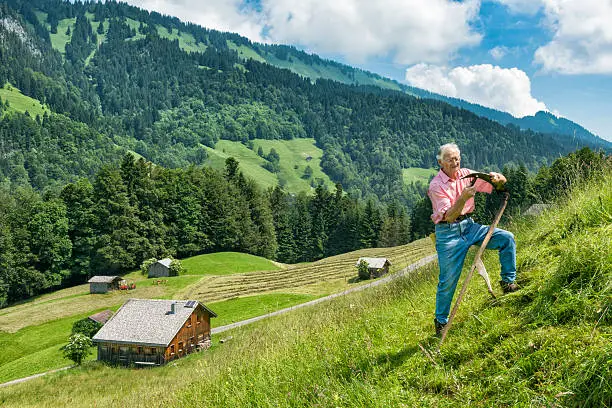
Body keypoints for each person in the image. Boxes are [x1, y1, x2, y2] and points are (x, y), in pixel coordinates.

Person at [428, 143, 519, 336]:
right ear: (440, 162)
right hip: (448, 233)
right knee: (448, 280)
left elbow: (495, 184)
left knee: (506, 239)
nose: (456, 162)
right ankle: (441, 322)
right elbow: (450, 216)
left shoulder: (467, 174)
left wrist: (499, 178)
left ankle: (508, 282)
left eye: (457, 158)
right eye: (450, 159)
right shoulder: (436, 186)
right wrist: (462, 198)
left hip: (469, 226)